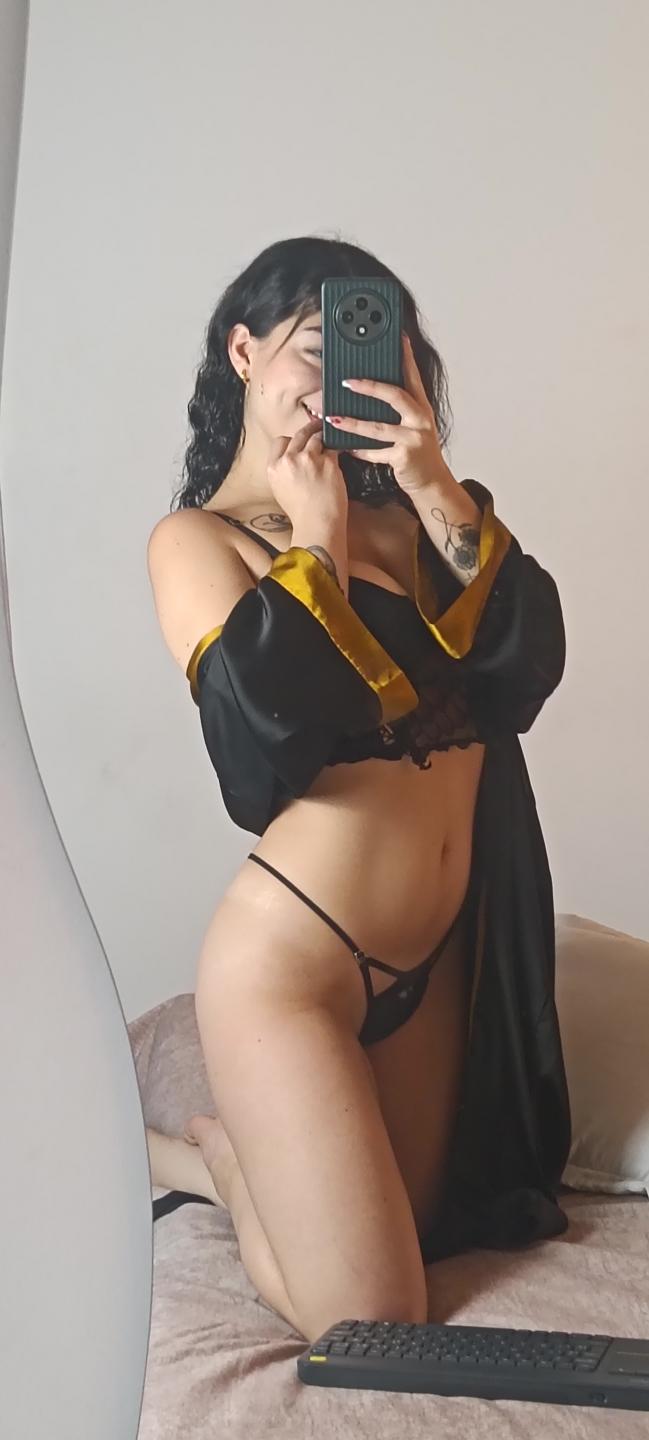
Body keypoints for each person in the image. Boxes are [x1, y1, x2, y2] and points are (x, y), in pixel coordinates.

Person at [145, 234, 571, 1344]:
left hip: (438, 954)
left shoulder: (419, 519)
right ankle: (221, 1169)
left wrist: (428, 482)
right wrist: (317, 536)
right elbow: (260, 748)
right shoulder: (196, 540)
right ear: (242, 352)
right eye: (308, 346)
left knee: (417, 1241)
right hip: (294, 959)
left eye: (371, 347)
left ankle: (231, 1161)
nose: (335, 373)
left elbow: (525, 669)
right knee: (374, 1312)